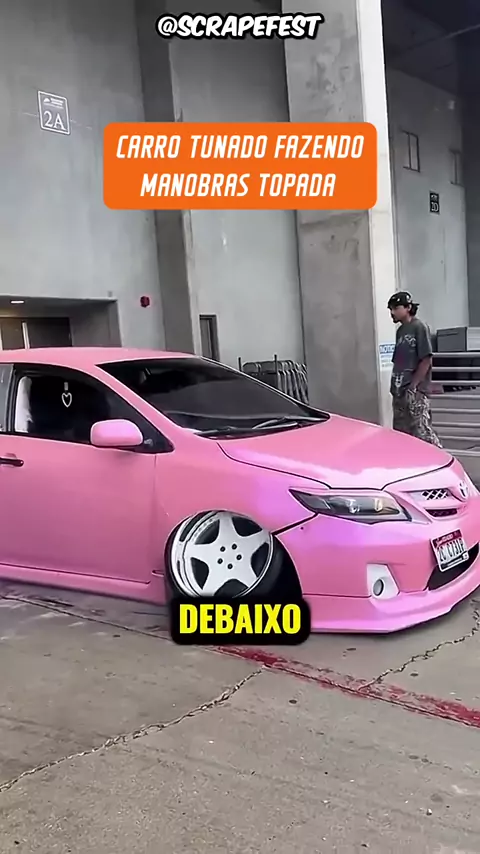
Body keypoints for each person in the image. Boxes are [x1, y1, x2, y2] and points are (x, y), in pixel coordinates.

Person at [388, 291, 442, 447]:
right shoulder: (400, 331)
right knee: (401, 434)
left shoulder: (419, 327)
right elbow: (399, 362)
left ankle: (439, 457)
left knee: (422, 432)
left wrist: (414, 386)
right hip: (399, 390)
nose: (392, 312)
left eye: (396, 308)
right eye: (390, 309)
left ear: (408, 307)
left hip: (415, 391)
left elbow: (426, 359)